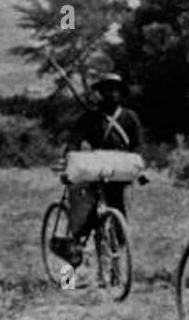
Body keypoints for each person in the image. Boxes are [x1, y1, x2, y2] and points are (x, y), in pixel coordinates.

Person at [60, 73, 144, 263]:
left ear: (120, 93)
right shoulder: (90, 117)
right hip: (95, 170)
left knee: (119, 217)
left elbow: (137, 145)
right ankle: (70, 270)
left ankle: (115, 266)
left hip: (119, 172)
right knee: (83, 219)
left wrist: (138, 166)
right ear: (101, 93)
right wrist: (68, 160)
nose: (111, 94)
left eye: (115, 89)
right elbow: (74, 140)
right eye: (107, 89)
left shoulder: (130, 117)